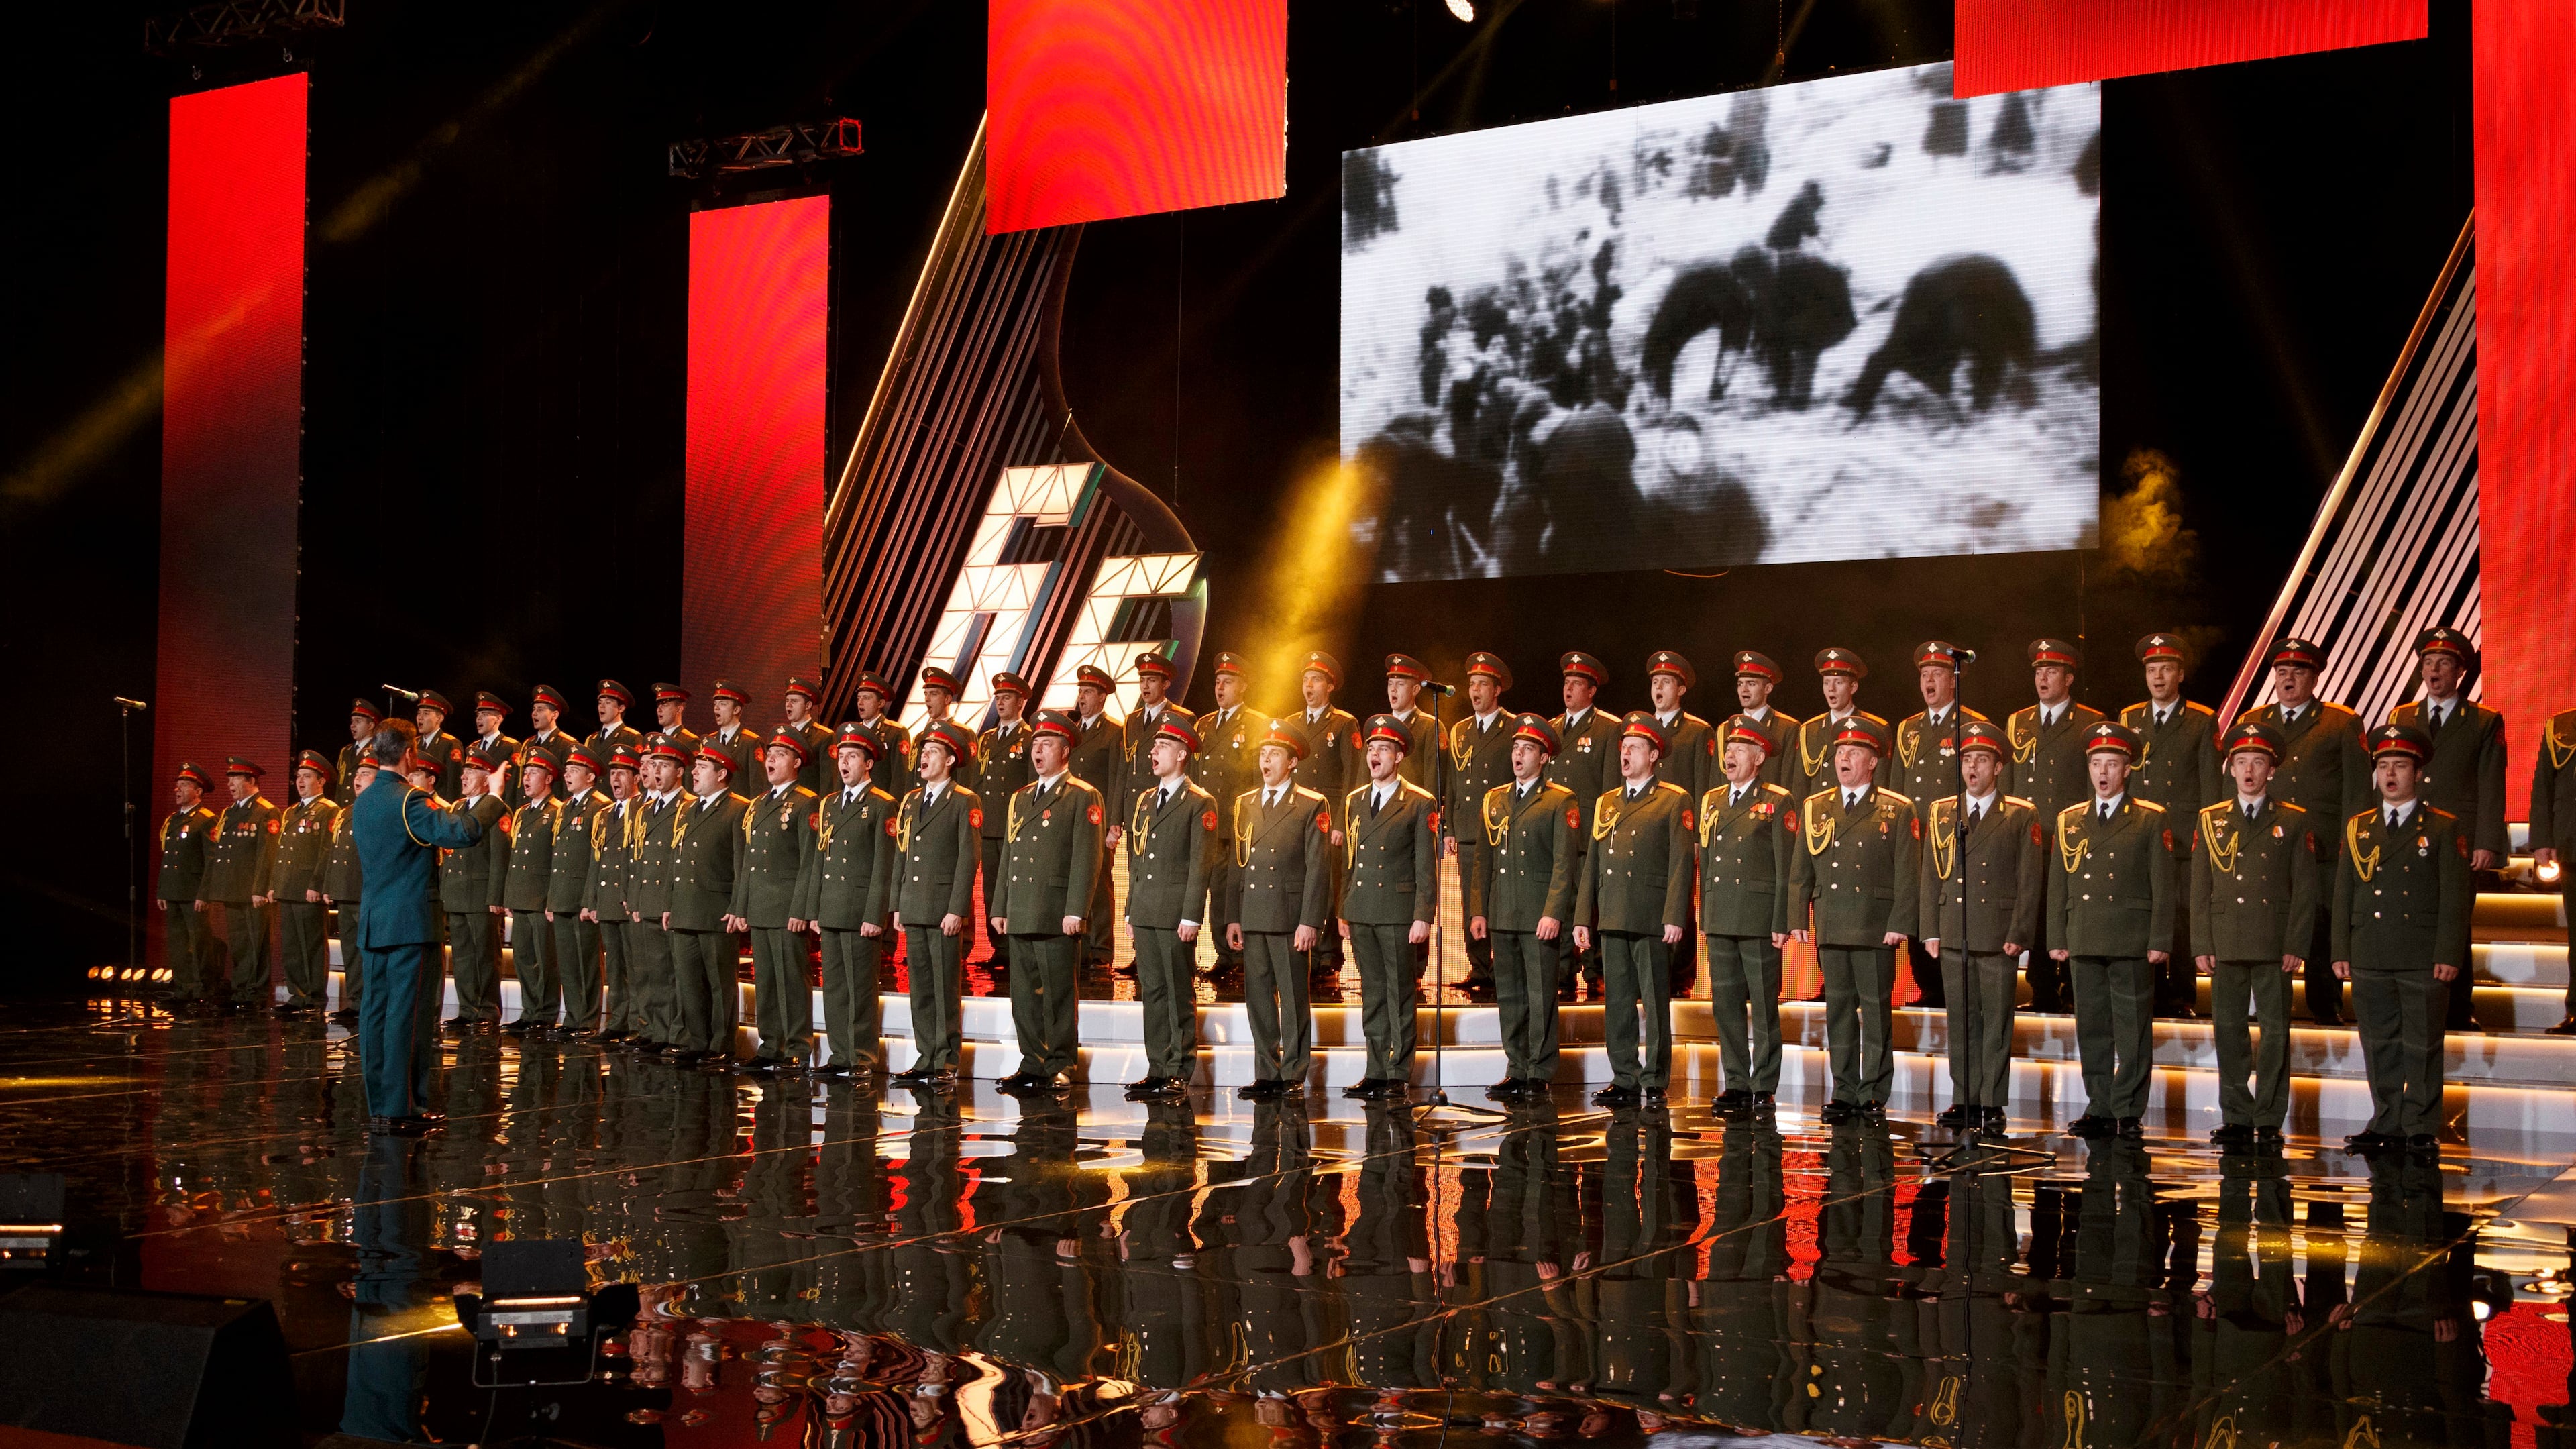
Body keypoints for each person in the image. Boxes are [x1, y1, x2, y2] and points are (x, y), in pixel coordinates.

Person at [2332, 724, 2470, 1155]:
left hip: (2421, 953)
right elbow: (2345, 892)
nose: (2391, 774)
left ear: (2418, 773)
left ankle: (2421, 1123)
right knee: (2379, 1042)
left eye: (2400, 766)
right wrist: (2341, 949)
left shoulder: (2444, 828)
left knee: (2424, 1042)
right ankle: (2386, 1119)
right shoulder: (2359, 828)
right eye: (2384, 766)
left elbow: (2456, 899)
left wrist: (2449, 952)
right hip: (2370, 949)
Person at [349, 722, 486, 1132]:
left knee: (375, 1016)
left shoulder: (365, 800)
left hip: (375, 923)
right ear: (409, 754)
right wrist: (490, 796)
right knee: (408, 1018)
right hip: (410, 924)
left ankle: (380, 1104)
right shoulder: (408, 799)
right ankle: (402, 1107)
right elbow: (461, 832)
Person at [2191, 720, 2318, 1150]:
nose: (2249, 770)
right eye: (2241, 761)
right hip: (2225, 939)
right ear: (2229, 769)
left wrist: (2296, 944)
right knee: (2228, 1029)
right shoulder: (2210, 821)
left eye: (2258, 762)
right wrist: (2201, 943)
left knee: (2275, 1032)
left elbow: (2304, 890)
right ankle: (2236, 1114)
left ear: (2272, 771)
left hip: (2272, 940)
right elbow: (2200, 888)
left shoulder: (2293, 821)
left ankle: (2268, 1116)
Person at [2047, 721, 2175, 1140]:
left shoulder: (2150, 819)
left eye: (2112, 764)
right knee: (2092, 1026)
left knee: (2132, 1027)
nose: (2103, 773)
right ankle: (2099, 1104)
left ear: (2127, 770)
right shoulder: (2070, 820)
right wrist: (2057, 937)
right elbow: (2058, 884)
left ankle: (2128, 1107)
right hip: (2084, 934)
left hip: (2130, 937)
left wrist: (2160, 939)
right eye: (2097, 764)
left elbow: (2163, 886)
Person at [1789, 717, 1918, 1125]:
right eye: (1840, 752)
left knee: (1876, 1010)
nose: (1844, 759)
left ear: (1872, 761)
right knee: (1839, 1010)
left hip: (1875, 925)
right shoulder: (1816, 807)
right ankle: (1844, 1089)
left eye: (1854, 753)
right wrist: (1797, 917)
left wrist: (1900, 920)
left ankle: (1874, 1091)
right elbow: (1800, 870)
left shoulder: (1896, 809)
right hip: (1832, 921)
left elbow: (1907, 873)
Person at [1917, 719, 2041, 1139]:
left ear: (1998, 767)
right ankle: (1966, 1097)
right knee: (1961, 1020)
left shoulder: (2021, 815)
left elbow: (2029, 880)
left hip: (1997, 933)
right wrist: (1930, 927)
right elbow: (1931, 874)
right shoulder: (1943, 811)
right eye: (1967, 759)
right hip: (1955, 929)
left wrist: (2020, 931)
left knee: (1995, 1022)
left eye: (1981, 760)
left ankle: (1992, 1101)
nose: (1972, 768)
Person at [2237, 637, 2369, 1024]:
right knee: (2268, 921)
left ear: (2314, 677)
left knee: (2322, 926)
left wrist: (2352, 844)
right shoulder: (2254, 723)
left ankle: (2325, 1006)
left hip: (2326, 847)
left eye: (2298, 671)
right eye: (2282, 671)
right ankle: (2266, 1004)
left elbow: (2357, 792)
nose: (2288, 678)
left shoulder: (2341, 723)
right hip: (2270, 845)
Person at [1572, 712, 1696, 1106]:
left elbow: (1680, 863)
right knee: (1618, 1000)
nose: (1625, 754)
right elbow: (1591, 862)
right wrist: (1582, 917)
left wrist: (1676, 915)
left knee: (1656, 1001)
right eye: (1623, 746)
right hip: (1613, 912)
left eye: (1635, 747)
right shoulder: (1607, 802)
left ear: (1654, 754)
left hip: (1651, 915)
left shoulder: (1674, 800)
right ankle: (1624, 1076)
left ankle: (1656, 1077)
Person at [2386, 626, 2506, 1030]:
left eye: (2443, 664)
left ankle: (2458, 1008)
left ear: (2460, 671)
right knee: (2407, 917)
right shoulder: (2402, 717)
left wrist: (2487, 841)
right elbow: (2386, 777)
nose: (2434, 671)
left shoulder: (2484, 720)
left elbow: (2491, 783)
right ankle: (2412, 1006)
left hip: (2458, 840)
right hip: (2407, 833)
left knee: (2454, 920)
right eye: (2428, 663)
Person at [1466, 713, 1576, 1100]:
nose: (1518, 756)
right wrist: (1479, 910)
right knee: (1509, 993)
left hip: (1537, 914)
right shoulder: (1494, 799)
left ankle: (1540, 1069)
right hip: (1503, 911)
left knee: (1540, 993)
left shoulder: (1560, 800)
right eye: (1516, 748)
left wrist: (1553, 912)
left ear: (1543, 757)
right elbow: (1483, 859)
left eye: (1527, 749)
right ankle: (1516, 1066)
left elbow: (1565, 864)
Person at [1224, 721, 1332, 1100]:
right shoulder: (1246, 803)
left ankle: (1293, 1072)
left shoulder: (1310, 803)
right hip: (1254, 914)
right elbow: (1236, 863)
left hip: (1289, 916)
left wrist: (1310, 921)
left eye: (1274, 755)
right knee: (1258, 997)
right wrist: (1232, 916)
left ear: (1292, 762)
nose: (1265, 760)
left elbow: (1319, 868)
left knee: (1292, 996)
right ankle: (1266, 1072)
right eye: (1262, 753)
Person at [1699, 714, 1796, 1118]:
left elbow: (1785, 867)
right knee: (1726, 1005)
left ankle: (1764, 1084)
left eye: (1740, 750)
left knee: (1763, 1004)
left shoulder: (1778, 800)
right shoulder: (1711, 800)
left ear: (1758, 757)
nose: (1731, 756)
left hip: (1758, 919)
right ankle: (1736, 1081)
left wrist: (1781, 921)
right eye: (1728, 749)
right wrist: (1705, 915)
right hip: (1721, 916)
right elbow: (1705, 861)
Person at [2121, 633, 2222, 1018]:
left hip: (2182, 838)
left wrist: (2207, 838)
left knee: (2180, 916)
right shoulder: (2130, 719)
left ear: (2180, 674)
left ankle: (2181, 995)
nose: (2158, 677)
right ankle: (2143, 991)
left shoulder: (2200, 720)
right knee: (2143, 912)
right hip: (2138, 835)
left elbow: (2212, 789)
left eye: (2166, 669)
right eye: (2151, 670)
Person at [1340, 714, 1440, 1099]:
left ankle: (1399, 1072)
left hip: (1398, 913)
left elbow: (1425, 865)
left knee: (1400, 994)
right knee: (1373, 993)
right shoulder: (1355, 801)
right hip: (1363, 909)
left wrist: (1422, 916)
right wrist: (1343, 909)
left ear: (1398, 757)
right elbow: (1350, 860)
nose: (1374, 755)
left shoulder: (1418, 802)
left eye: (1383, 749)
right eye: (1371, 749)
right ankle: (1375, 1068)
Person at [2007, 638, 2105, 1012]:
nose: (2043, 678)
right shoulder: (2019, 722)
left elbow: (2094, 784)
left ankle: (2076, 990)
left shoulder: (2090, 722)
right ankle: (2042, 989)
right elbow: (2009, 785)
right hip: (2029, 841)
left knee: (2071, 914)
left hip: (2072, 839)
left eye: (2051, 672)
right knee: (2035, 916)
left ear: (2068, 678)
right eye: (2039, 672)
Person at [1123, 716, 1218, 1100]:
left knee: (1178, 991)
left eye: (1161, 747)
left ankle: (1179, 1068)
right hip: (1146, 911)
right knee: (1153, 991)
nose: (1153, 752)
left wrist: (1192, 915)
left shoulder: (1200, 802)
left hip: (1176, 913)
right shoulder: (1147, 799)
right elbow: (1139, 858)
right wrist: (1130, 909)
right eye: (1154, 746)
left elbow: (1200, 863)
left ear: (1182, 754)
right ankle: (1157, 1066)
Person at [795, 725, 898, 1077]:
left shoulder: (882, 805)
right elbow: (819, 862)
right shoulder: (829, 805)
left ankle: (863, 1057)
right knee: (836, 986)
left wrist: (876, 915)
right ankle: (841, 1054)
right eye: (842, 756)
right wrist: (813, 911)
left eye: (853, 756)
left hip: (859, 912)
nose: (844, 763)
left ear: (868, 763)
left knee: (860, 988)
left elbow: (883, 867)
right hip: (832, 909)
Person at [1892, 641, 1984, 1011]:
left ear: (1953, 681)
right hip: (1914, 840)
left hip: (1952, 839)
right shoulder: (1907, 729)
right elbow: (1896, 789)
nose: (1929, 682)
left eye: (1937, 675)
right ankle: (1926, 986)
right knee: (1919, 910)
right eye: (1924, 676)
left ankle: (1952, 988)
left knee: (1949, 911)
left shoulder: (1971, 725)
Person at [892, 720, 982, 1088]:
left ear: (949, 760)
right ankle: (925, 1054)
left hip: (943, 907)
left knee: (945, 987)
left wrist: (957, 909)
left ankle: (945, 1058)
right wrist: (897, 904)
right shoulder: (912, 800)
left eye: (931, 752)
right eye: (923, 751)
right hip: (914, 905)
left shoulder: (964, 800)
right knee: (921, 986)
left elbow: (968, 857)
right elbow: (902, 853)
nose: (923, 757)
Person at [731, 731, 820, 1073]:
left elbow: (809, 861)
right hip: (761, 906)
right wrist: (741, 907)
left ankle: (797, 1046)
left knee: (792, 980)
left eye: (781, 754)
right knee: (766, 979)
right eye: (770, 753)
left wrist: (801, 909)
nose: (771, 760)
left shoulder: (805, 802)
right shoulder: (758, 803)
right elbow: (748, 864)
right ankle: (771, 1044)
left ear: (796, 763)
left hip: (787, 907)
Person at [666, 745, 749, 1065]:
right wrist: (669, 903)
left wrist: (737, 906)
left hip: (717, 908)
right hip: (686, 906)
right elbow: (677, 859)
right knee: (689, 982)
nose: (694, 773)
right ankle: (697, 1041)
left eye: (702, 767)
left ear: (722, 774)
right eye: (695, 766)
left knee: (719, 983)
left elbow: (743, 864)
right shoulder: (689, 809)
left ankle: (722, 1044)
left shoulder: (737, 809)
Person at [1191, 653, 1268, 981]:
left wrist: (1254, 821)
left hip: (1235, 825)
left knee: (1230, 892)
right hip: (1206, 824)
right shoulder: (1204, 725)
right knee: (1206, 889)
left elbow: (1259, 777)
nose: (1220, 688)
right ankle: (1221, 953)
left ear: (1244, 686)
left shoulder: (1257, 724)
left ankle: (1236, 956)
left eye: (1228, 682)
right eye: (1218, 682)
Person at [1287, 651, 1361, 989]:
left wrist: (1343, 823)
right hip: (1299, 815)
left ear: (1330, 686)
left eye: (1316, 680)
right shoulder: (1292, 724)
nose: (1309, 686)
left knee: (1330, 884)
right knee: (1303, 882)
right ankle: (1308, 950)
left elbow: (1353, 775)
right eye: (1305, 680)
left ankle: (1330, 955)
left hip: (1329, 817)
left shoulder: (1344, 723)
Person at [1645, 651, 1717, 997]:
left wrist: (1699, 837)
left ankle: (1682, 978)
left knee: (1681, 906)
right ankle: (1652, 973)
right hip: (1646, 834)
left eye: (1666, 682)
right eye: (1655, 682)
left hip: (1682, 833)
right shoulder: (1641, 730)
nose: (1659, 688)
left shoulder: (1696, 731)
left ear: (1681, 689)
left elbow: (1705, 787)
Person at [1548, 652, 1620, 998]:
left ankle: (1596, 971)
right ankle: (1562, 971)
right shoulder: (1550, 729)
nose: (1569, 689)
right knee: (1559, 904)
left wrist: (1604, 833)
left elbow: (1610, 789)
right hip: (1556, 833)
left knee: (1589, 907)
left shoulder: (1608, 728)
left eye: (1577, 684)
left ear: (1592, 691)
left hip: (1589, 832)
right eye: (1566, 683)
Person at [1446, 653, 1515, 999]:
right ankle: (1478, 966)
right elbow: (1454, 783)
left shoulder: (1514, 727)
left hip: (1501, 829)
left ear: (1497, 689)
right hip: (1469, 830)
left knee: (1500, 898)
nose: (1475, 691)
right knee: (1471, 900)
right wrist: (1449, 827)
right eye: (1472, 685)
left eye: (1482, 685)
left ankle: (1502, 966)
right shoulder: (1459, 731)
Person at [625, 737, 693, 1052]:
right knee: (647, 971)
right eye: (655, 766)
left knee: (669, 974)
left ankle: (671, 1032)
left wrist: (668, 901)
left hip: (667, 899)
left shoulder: (687, 806)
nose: (657, 771)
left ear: (679, 771)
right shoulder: (646, 809)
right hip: (644, 900)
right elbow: (637, 856)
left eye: (664, 766)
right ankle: (651, 1028)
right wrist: (633, 897)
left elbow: (676, 862)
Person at [439, 743, 511, 1032]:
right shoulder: (457, 807)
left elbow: (499, 856)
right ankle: (467, 1008)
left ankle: (487, 1009)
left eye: (472, 771)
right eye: (465, 770)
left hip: (481, 895)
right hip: (456, 893)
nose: (464, 776)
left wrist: (495, 895)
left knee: (484, 955)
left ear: (486, 777)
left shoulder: (494, 809)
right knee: (463, 956)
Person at [202, 757, 280, 1014]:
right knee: (239, 943)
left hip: (252, 892)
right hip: (233, 889)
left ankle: (255, 993)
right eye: (229, 779)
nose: (230, 783)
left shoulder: (265, 811)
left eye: (235, 778)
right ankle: (241, 989)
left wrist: (260, 889)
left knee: (255, 943)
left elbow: (265, 855)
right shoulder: (231, 812)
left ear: (251, 781)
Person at [271, 750, 344, 1017]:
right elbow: (282, 853)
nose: (300, 782)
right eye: (299, 777)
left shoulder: (328, 811)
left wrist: (317, 884)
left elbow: (327, 851)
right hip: (288, 887)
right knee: (291, 944)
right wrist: (274, 884)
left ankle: (314, 997)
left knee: (311, 944)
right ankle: (297, 994)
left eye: (307, 777)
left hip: (308, 888)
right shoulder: (291, 812)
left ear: (321, 781)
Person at [496, 744, 563, 1035]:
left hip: (541, 897)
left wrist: (552, 897)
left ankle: (545, 1013)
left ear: (548, 778)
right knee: (523, 958)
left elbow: (558, 859)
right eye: (526, 773)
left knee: (545, 960)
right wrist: (509, 894)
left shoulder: (557, 812)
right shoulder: (522, 812)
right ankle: (529, 1010)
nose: (526, 779)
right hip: (522, 896)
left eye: (534, 773)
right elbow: (515, 856)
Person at [546, 747, 612, 1039]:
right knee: (569, 963)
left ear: (591, 776)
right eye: (567, 770)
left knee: (586, 962)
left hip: (582, 897)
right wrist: (551, 898)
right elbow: (558, 857)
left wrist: (590, 900)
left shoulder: (599, 807)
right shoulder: (566, 806)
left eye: (575, 771)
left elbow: (597, 858)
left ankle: (587, 1019)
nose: (568, 775)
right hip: (562, 896)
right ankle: (574, 1016)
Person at [972, 672, 1036, 965]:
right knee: (990, 890)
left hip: (1014, 827)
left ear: (1021, 701)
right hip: (988, 826)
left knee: (1015, 886)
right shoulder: (985, 740)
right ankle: (999, 948)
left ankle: (1017, 947)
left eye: (1006, 697)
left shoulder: (1030, 737)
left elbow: (1032, 785)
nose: (1000, 702)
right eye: (997, 697)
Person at [584, 745, 646, 1042]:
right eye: (613, 773)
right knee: (616, 966)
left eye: (622, 773)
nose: (615, 779)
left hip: (629, 899)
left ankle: (637, 1022)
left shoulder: (642, 810)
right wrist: (591, 900)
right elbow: (596, 861)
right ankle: (618, 1021)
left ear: (636, 777)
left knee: (635, 965)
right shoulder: (605, 814)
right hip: (608, 900)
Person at [156, 761, 221, 1009]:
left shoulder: (205, 820)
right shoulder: (174, 820)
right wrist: (163, 890)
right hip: (174, 891)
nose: (178, 790)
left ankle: (203, 988)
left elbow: (211, 860)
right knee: (178, 942)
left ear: (198, 791)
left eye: (184, 785)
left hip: (194, 893)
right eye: (177, 785)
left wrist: (204, 894)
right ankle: (184, 987)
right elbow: (168, 857)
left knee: (200, 943)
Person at [1793, 649, 1892, 803]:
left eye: (1838, 682)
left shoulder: (1876, 727)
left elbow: (1881, 784)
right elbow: (1800, 788)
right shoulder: (1809, 730)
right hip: (1819, 820)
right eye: (1826, 683)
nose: (1831, 689)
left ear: (1853, 688)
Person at [2533, 699, 2576, 1035]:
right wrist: (2543, 841)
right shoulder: (2560, 726)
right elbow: (2543, 788)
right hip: (2572, 844)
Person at [321, 757, 373, 1023]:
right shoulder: (345, 812)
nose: (357, 779)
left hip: (365, 892)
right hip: (345, 892)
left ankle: (369, 1002)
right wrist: (330, 884)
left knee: (367, 951)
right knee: (351, 951)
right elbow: (335, 851)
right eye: (357, 773)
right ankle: (355, 1000)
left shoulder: (377, 808)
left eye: (365, 774)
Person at [1731, 651, 1794, 788]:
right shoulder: (1726, 728)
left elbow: (1789, 779)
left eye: (1751, 684)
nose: (1744, 690)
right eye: (1740, 684)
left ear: (1768, 688)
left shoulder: (1787, 728)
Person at [847, 672, 909, 794]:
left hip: (880, 803)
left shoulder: (895, 732)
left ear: (881, 703)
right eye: (859, 698)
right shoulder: (852, 732)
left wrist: (892, 807)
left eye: (866, 698)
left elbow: (900, 778)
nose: (860, 702)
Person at [469, 692, 523, 806]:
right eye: (478, 715)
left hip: (496, 808)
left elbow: (513, 787)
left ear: (498, 719)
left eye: (484, 715)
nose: (479, 719)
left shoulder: (511, 746)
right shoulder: (473, 747)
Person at [782, 676, 833, 790]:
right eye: (787, 700)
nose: (788, 705)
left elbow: (829, 781)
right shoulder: (781, 736)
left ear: (808, 705)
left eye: (794, 701)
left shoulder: (824, 737)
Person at [703, 680, 759, 784]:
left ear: (736, 710)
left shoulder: (751, 742)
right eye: (715, 704)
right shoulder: (710, 741)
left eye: (723, 704)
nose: (716, 708)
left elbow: (758, 784)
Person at [413, 691, 465, 796]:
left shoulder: (449, 743)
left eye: (426, 713)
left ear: (439, 719)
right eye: (419, 713)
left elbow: (454, 783)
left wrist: (450, 808)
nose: (420, 717)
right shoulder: (415, 742)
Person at [336, 699, 384, 802]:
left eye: (358, 721)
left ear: (370, 725)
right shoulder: (346, 751)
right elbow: (341, 786)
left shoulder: (378, 750)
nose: (352, 725)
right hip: (345, 810)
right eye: (352, 721)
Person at [586, 679, 645, 757]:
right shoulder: (591, 739)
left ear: (621, 708)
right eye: (600, 702)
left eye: (608, 703)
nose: (602, 706)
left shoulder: (632, 738)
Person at [650, 684, 702, 761]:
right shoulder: (655, 740)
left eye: (665, 705)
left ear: (679, 710)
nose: (659, 710)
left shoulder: (689, 741)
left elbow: (691, 772)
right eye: (658, 706)